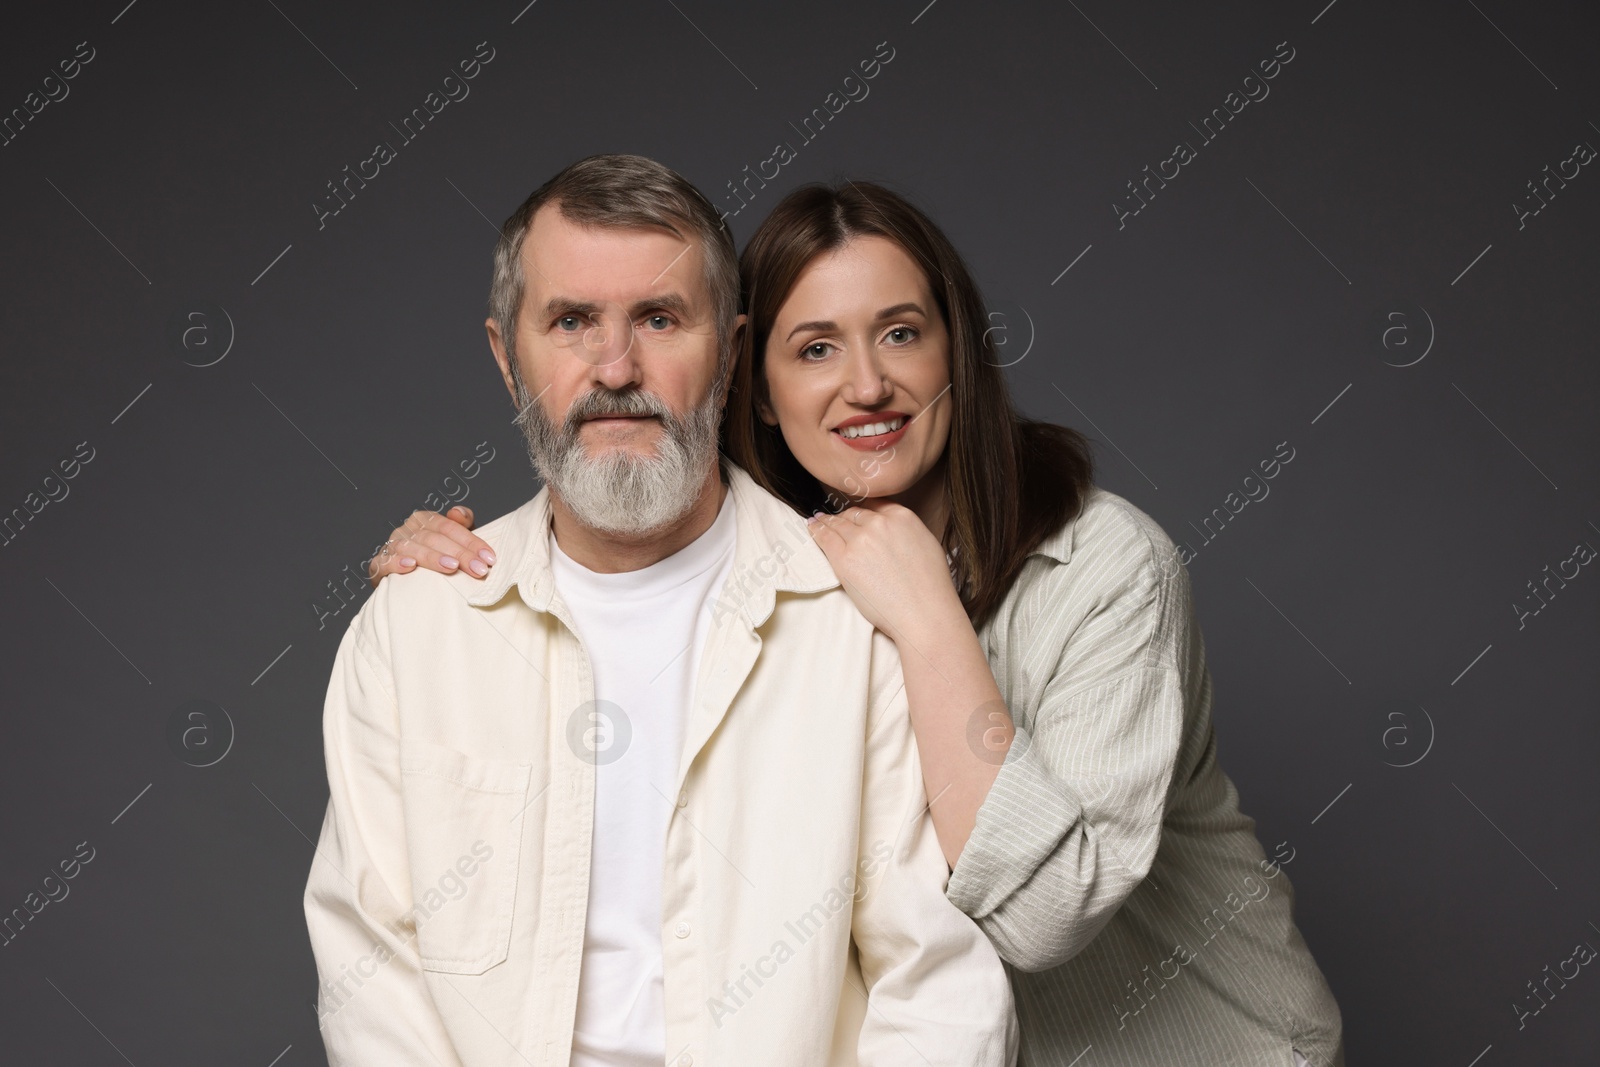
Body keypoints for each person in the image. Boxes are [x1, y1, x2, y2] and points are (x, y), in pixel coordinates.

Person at [375, 177, 1346, 1066]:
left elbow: (1048, 916)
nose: (867, 385)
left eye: (900, 333)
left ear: (954, 350)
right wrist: (468, 565)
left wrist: (929, 621)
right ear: (746, 379)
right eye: (814, 348)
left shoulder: (1103, 565)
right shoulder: (777, 578)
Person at [302, 155, 1018, 1066]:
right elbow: (374, 976)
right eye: (571, 322)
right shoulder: (415, 630)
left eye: (659, 318)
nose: (615, 367)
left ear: (728, 351)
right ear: (506, 357)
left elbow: (938, 981)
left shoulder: (856, 616)